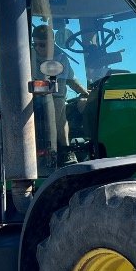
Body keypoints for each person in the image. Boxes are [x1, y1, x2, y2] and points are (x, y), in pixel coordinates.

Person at [32, 24, 88, 165]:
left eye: (42, 45)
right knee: (56, 107)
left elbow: (70, 80)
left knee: (58, 106)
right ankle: (64, 150)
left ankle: (67, 149)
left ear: (52, 43)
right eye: (35, 44)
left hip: (55, 99)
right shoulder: (29, 57)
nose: (38, 48)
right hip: (32, 99)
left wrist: (85, 92)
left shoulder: (61, 58)